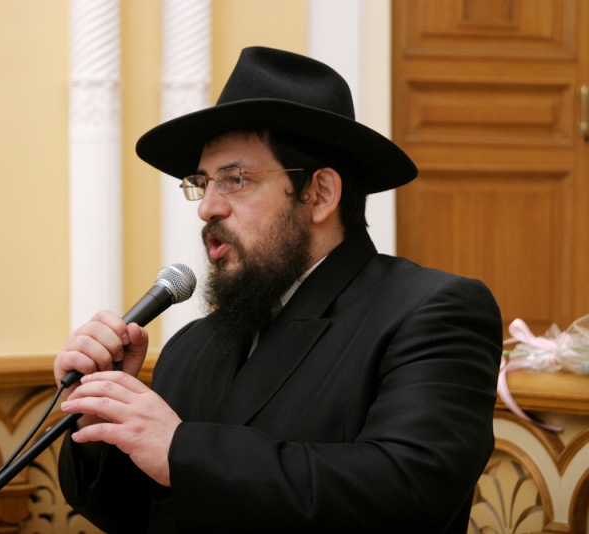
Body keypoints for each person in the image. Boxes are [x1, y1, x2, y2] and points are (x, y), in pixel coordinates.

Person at [53, 46, 502, 533]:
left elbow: (406, 494)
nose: (207, 208)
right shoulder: (191, 348)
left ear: (320, 194)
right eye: (202, 182)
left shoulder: (431, 312)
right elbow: (143, 514)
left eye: (235, 179)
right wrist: (99, 421)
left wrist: (181, 449)